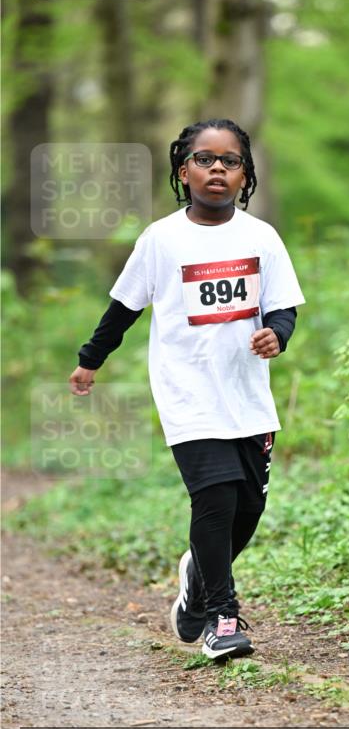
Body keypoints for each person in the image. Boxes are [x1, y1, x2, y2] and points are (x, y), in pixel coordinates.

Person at [68, 118, 306, 660]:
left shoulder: (260, 237)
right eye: (205, 159)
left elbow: (282, 304)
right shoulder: (162, 239)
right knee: (216, 498)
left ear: (246, 175)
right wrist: (90, 360)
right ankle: (221, 619)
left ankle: (198, 575)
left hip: (248, 396)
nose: (217, 168)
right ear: (184, 171)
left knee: (248, 508)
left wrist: (278, 335)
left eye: (230, 160)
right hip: (186, 393)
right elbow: (124, 307)